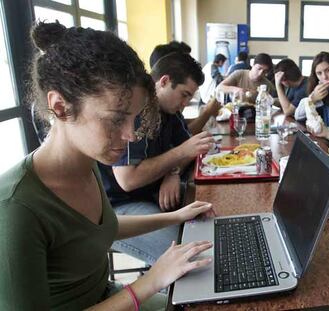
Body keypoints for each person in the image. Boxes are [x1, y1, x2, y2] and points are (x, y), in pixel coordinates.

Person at [0, 22, 215, 310]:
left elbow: (102, 229)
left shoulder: (86, 164)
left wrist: (178, 216)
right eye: (116, 119)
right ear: (60, 106)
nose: (130, 135)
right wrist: (150, 281)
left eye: (134, 119)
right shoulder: (15, 208)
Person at [99, 51, 215, 265]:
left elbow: (189, 149)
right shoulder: (136, 112)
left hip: (151, 190)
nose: (185, 103)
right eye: (184, 94)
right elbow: (128, 180)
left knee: (213, 210)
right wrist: (180, 154)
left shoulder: (169, 111)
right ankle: (166, 288)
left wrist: (173, 171)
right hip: (119, 206)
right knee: (189, 255)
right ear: (164, 81)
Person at [149, 41, 221, 135]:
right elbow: (187, 134)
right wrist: (207, 113)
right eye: (184, 60)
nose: (185, 103)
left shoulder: (170, 109)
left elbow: (182, 131)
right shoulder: (143, 110)